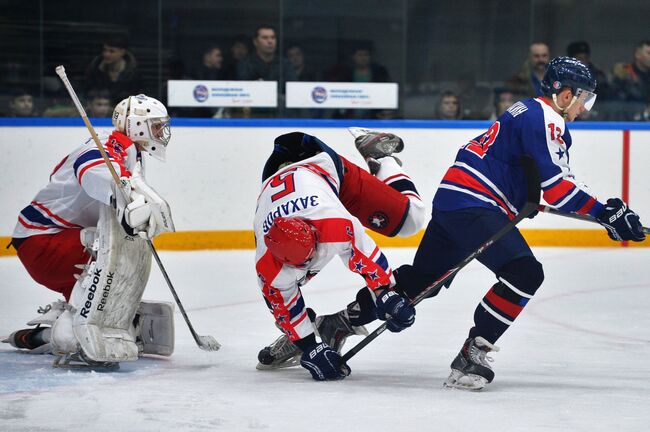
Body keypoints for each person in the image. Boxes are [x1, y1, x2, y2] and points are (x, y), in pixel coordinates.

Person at [388, 57, 646, 390]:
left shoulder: (525, 110)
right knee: (525, 274)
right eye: (585, 99)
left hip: (454, 199)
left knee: (424, 282)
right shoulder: (549, 119)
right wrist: (605, 213)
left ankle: (339, 323)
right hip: (475, 204)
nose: (584, 109)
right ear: (566, 95)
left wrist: (525, 194)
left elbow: (517, 164)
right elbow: (559, 188)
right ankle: (472, 353)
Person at [3, 94, 176, 369]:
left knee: (117, 258)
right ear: (137, 125)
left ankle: (45, 334)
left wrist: (131, 195)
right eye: (155, 125)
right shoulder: (113, 143)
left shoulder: (129, 150)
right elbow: (91, 168)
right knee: (112, 248)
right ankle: (73, 333)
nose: (160, 132)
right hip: (44, 242)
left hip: (48, 242)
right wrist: (125, 191)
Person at [254, 129, 427, 381]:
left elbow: (366, 258)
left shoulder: (333, 223)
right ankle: (306, 332)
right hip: (279, 184)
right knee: (280, 295)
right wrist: (309, 348)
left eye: (311, 257)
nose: (310, 267)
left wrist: (386, 295)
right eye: (302, 264)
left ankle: (379, 155)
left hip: (320, 167)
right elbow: (281, 303)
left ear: (313, 233)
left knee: (412, 219)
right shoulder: (267, 265)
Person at [85, 35, 142, 105]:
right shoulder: (95, 71)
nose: (106, 54)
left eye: (111, 51)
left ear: (122, 52)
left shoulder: (133, 74)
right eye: (105, 50)